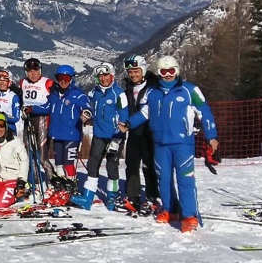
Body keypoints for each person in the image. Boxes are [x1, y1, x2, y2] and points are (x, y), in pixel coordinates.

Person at [122, 55, 218, 233]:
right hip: (160, 143)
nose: (167, 75)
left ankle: (190, 215)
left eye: (171, 71)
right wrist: (128, 124)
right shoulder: (153, 92)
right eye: (164, 71)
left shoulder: (189, 90)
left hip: (182, 144)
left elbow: (204, 112)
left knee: (185, 179)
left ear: (177, 71)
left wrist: (211, 136)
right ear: (158, 72)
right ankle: (170, 210)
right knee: (164, 179)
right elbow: (145, 113)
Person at [24, 65, 90, 195]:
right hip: (56, 134)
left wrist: (86, 113)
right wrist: (32, 109)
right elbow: (46, 107)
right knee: (59, 163)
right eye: (60, 78)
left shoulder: (77, 94)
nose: (63, 80)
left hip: (72, 135)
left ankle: (71, 186)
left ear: (71, 78)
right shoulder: (54, 95)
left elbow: (86, 106)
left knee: (68, 163)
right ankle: (62, 186)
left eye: (66, 78)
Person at [71, 63, 127, 211]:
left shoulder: (119, 94)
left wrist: (120, 134)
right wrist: (87, 113)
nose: (103, 79)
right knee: (92, 164)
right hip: (99, 135)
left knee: (111, 165)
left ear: (112, 76)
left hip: (115, 136)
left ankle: (112, 196)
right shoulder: (94, 92)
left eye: (106, 75)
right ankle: (87, 197)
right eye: (100, 76)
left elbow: (124, 115)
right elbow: (89, 106)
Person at [121, 54, 160, 214]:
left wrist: (128, 124)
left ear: (143, 70)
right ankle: (133, 197)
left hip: (148, 133)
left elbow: (147, 111)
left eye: (136, 71)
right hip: (134, 133)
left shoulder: (153, 88)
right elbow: (123, 108)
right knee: (131, 164)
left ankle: (152, 197)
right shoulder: (128, 88)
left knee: (148, 165)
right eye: (130, 72)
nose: (133, 74)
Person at [16, 58, 55, 178]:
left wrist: (33, 109)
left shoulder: (48, 83)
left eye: (36, 71)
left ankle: (52, 180)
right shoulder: (22, 83)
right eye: (30, 71)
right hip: (28, 121)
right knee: (29, 154)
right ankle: (35, 179)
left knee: (42, 157)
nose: (33, 74)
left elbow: (52, 105)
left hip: (42, 121)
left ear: (40, 70)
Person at [0, 112, 29, 209]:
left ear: (6, 125)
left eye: (1, 125)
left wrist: (21, 181)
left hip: (12, 179)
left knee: (1, 204)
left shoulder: (15, 141)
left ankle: (16, 195)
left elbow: (24, 160)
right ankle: (2, 192)